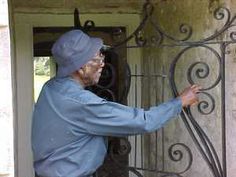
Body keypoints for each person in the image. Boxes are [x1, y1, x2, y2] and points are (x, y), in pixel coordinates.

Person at [31, 30, 201, 177]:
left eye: (101, 56)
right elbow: (143, 121)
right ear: (81, 67)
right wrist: (180, 101)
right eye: (97, 59)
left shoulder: (51, 88)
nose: (102, 63)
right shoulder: (81, 103)